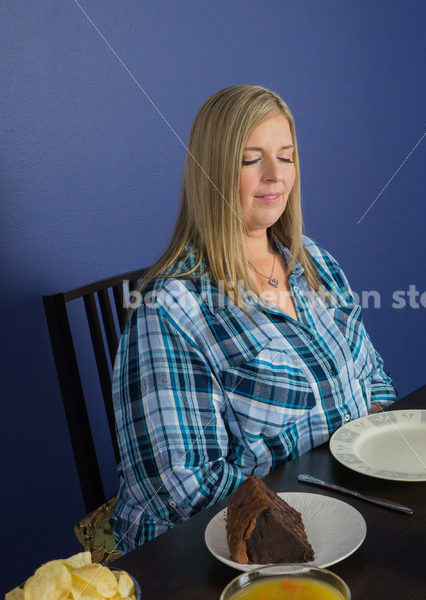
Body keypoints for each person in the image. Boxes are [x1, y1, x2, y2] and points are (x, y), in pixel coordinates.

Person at [111, 85, 398, 553]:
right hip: (205, 555)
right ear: (212, 172)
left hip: (338, 509)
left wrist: (379, 456)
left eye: (285, 157)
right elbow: (182, 493)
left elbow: (378, 385)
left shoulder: (317, 265)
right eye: (251, 160)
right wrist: (318, 471)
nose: (275, 176)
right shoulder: (169, 308)